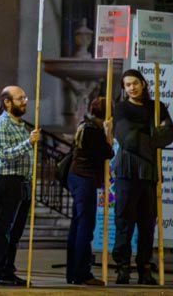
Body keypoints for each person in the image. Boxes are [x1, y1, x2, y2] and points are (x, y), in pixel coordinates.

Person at [112, 69, 173, 285]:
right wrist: (152, 135)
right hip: (126, 172)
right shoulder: (120, 108)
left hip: (149, 172)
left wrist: (144, 134)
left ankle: (145, 268)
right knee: (124, 222)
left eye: (134, 83)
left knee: (147, 225)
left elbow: (169, 134)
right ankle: (122, 268)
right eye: (127, 85)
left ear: (143, 83)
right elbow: (126, 139)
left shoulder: (156, 108)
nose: (131, 88)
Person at [0, 86, 40, 286]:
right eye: (20, 98)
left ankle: (8, 269)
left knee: (16, 231)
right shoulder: (0, 125)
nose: (25, 101)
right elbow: (4, 154)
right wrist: (28, 142)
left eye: (25, 97)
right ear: (7, 102)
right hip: (7, 180)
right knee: (3, 228)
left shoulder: (21, 125)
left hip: (23, 182)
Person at [66, 97, 114, 286]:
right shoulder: (94, 131)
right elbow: (107, 153)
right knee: (85, 227)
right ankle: (81, 273)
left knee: (77, 225)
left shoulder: (84, 125)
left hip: (77, 177)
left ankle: (73, 273)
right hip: (84, 179)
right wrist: (108, 134)